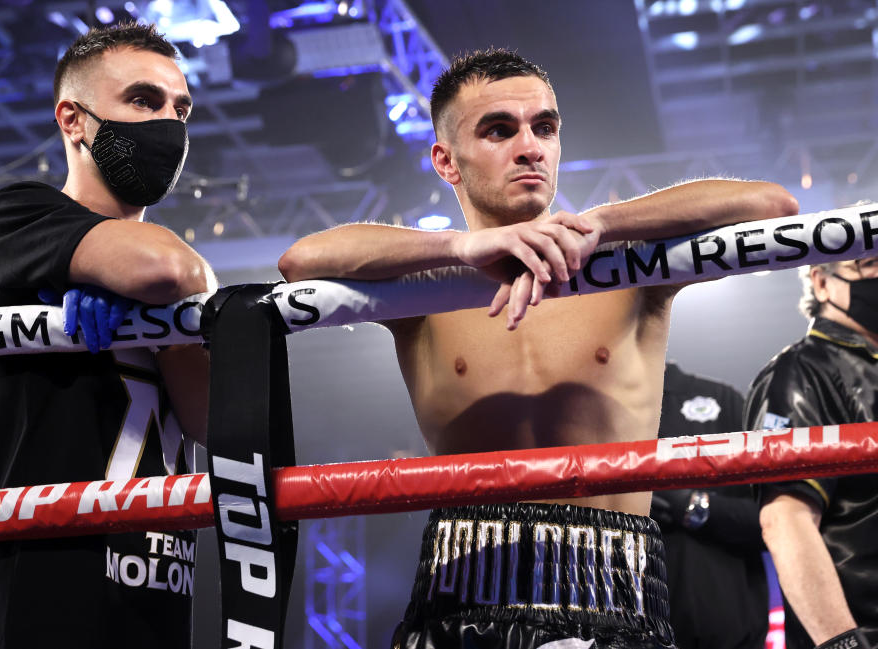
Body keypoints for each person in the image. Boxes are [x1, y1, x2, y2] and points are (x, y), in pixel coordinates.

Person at [279, 49, 799, 649]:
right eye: (499, 130)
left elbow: (772, 205)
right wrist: (457, 248)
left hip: (612, 578)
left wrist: (601, 221)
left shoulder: (625, 266)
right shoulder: (427, 287)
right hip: (463, 573)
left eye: (544, 127)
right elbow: (302, 261)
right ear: (446, 161)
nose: (530, 146)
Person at [0, 23, 216, 649]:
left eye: (179, 108)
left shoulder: (177, 269)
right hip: (40, 592)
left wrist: (160, 313)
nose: (168, 124)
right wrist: (154, 284)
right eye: (142, 101)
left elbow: (214, 419)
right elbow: (168, 269)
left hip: (158, 592)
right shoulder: (17, 215)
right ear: (73, 120)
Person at [745, 255, 878, 649]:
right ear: (821, 282)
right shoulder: (800, 371)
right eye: (870, 263)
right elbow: (785, 519)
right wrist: (843, 644)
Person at [652, 363, 767, 649]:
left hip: (724, 632)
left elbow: (774, 518)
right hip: (622, 630)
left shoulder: (719, 400)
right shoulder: (587, 409)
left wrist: (692, 506)